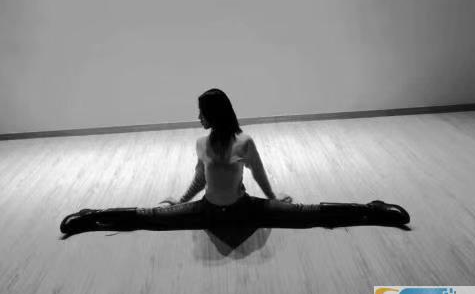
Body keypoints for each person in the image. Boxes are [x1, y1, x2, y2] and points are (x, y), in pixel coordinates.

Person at [60, 88, 409, 236]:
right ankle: (91, 218)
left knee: (308, 215)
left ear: (214, 114)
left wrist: (273, 198)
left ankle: (373, 210)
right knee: (150, 217)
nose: (198, 117)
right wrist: (179, 200)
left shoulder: (244, 142)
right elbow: (200, 179)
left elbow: (258, 172)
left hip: (246, 209)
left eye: (201, 112)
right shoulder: (201, 143)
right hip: (208, 211)